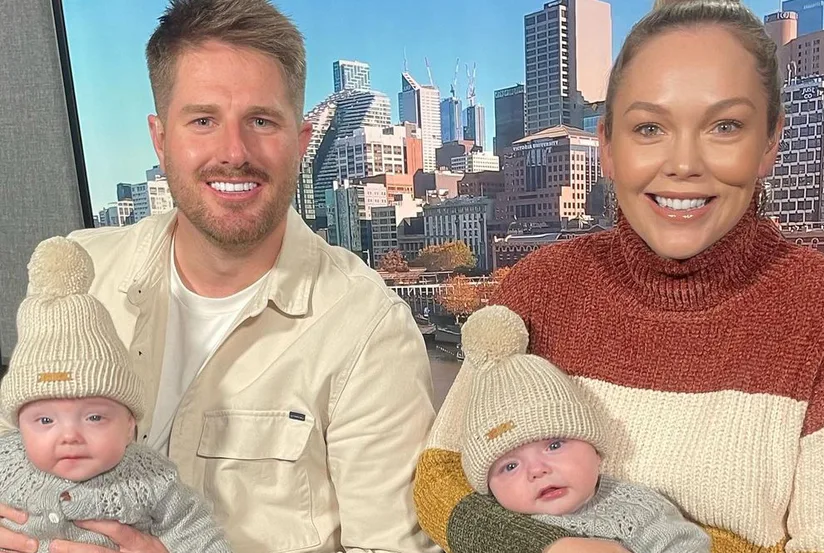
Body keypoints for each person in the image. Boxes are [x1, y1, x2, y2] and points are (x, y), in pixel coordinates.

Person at [413, 0, 824, 552]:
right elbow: (440, 477)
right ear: (607, 146)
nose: (683, 163)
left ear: (769, 143)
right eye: (649, 127)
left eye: (725, 126)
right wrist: (548, 546)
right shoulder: (537, 290)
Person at [0, 1, 438, 552]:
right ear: (161, 138)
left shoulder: (370, 330)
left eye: (262, 121)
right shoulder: (75, 274)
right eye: (203, 120)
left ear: (301, 142)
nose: (234, 152)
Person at [0, 237, 231, 553]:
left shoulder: (151, 478)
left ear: (129, 424)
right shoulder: (6, 459)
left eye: (94, 417)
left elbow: (200, 536)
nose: (69, 436)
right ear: (20, 427)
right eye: (44, 420)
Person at [458, 305, 710, 553]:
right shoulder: (494, 522)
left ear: (596, 451)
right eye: (510, 466)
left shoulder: (639, 510)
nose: (537, 471)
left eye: (554, 445)